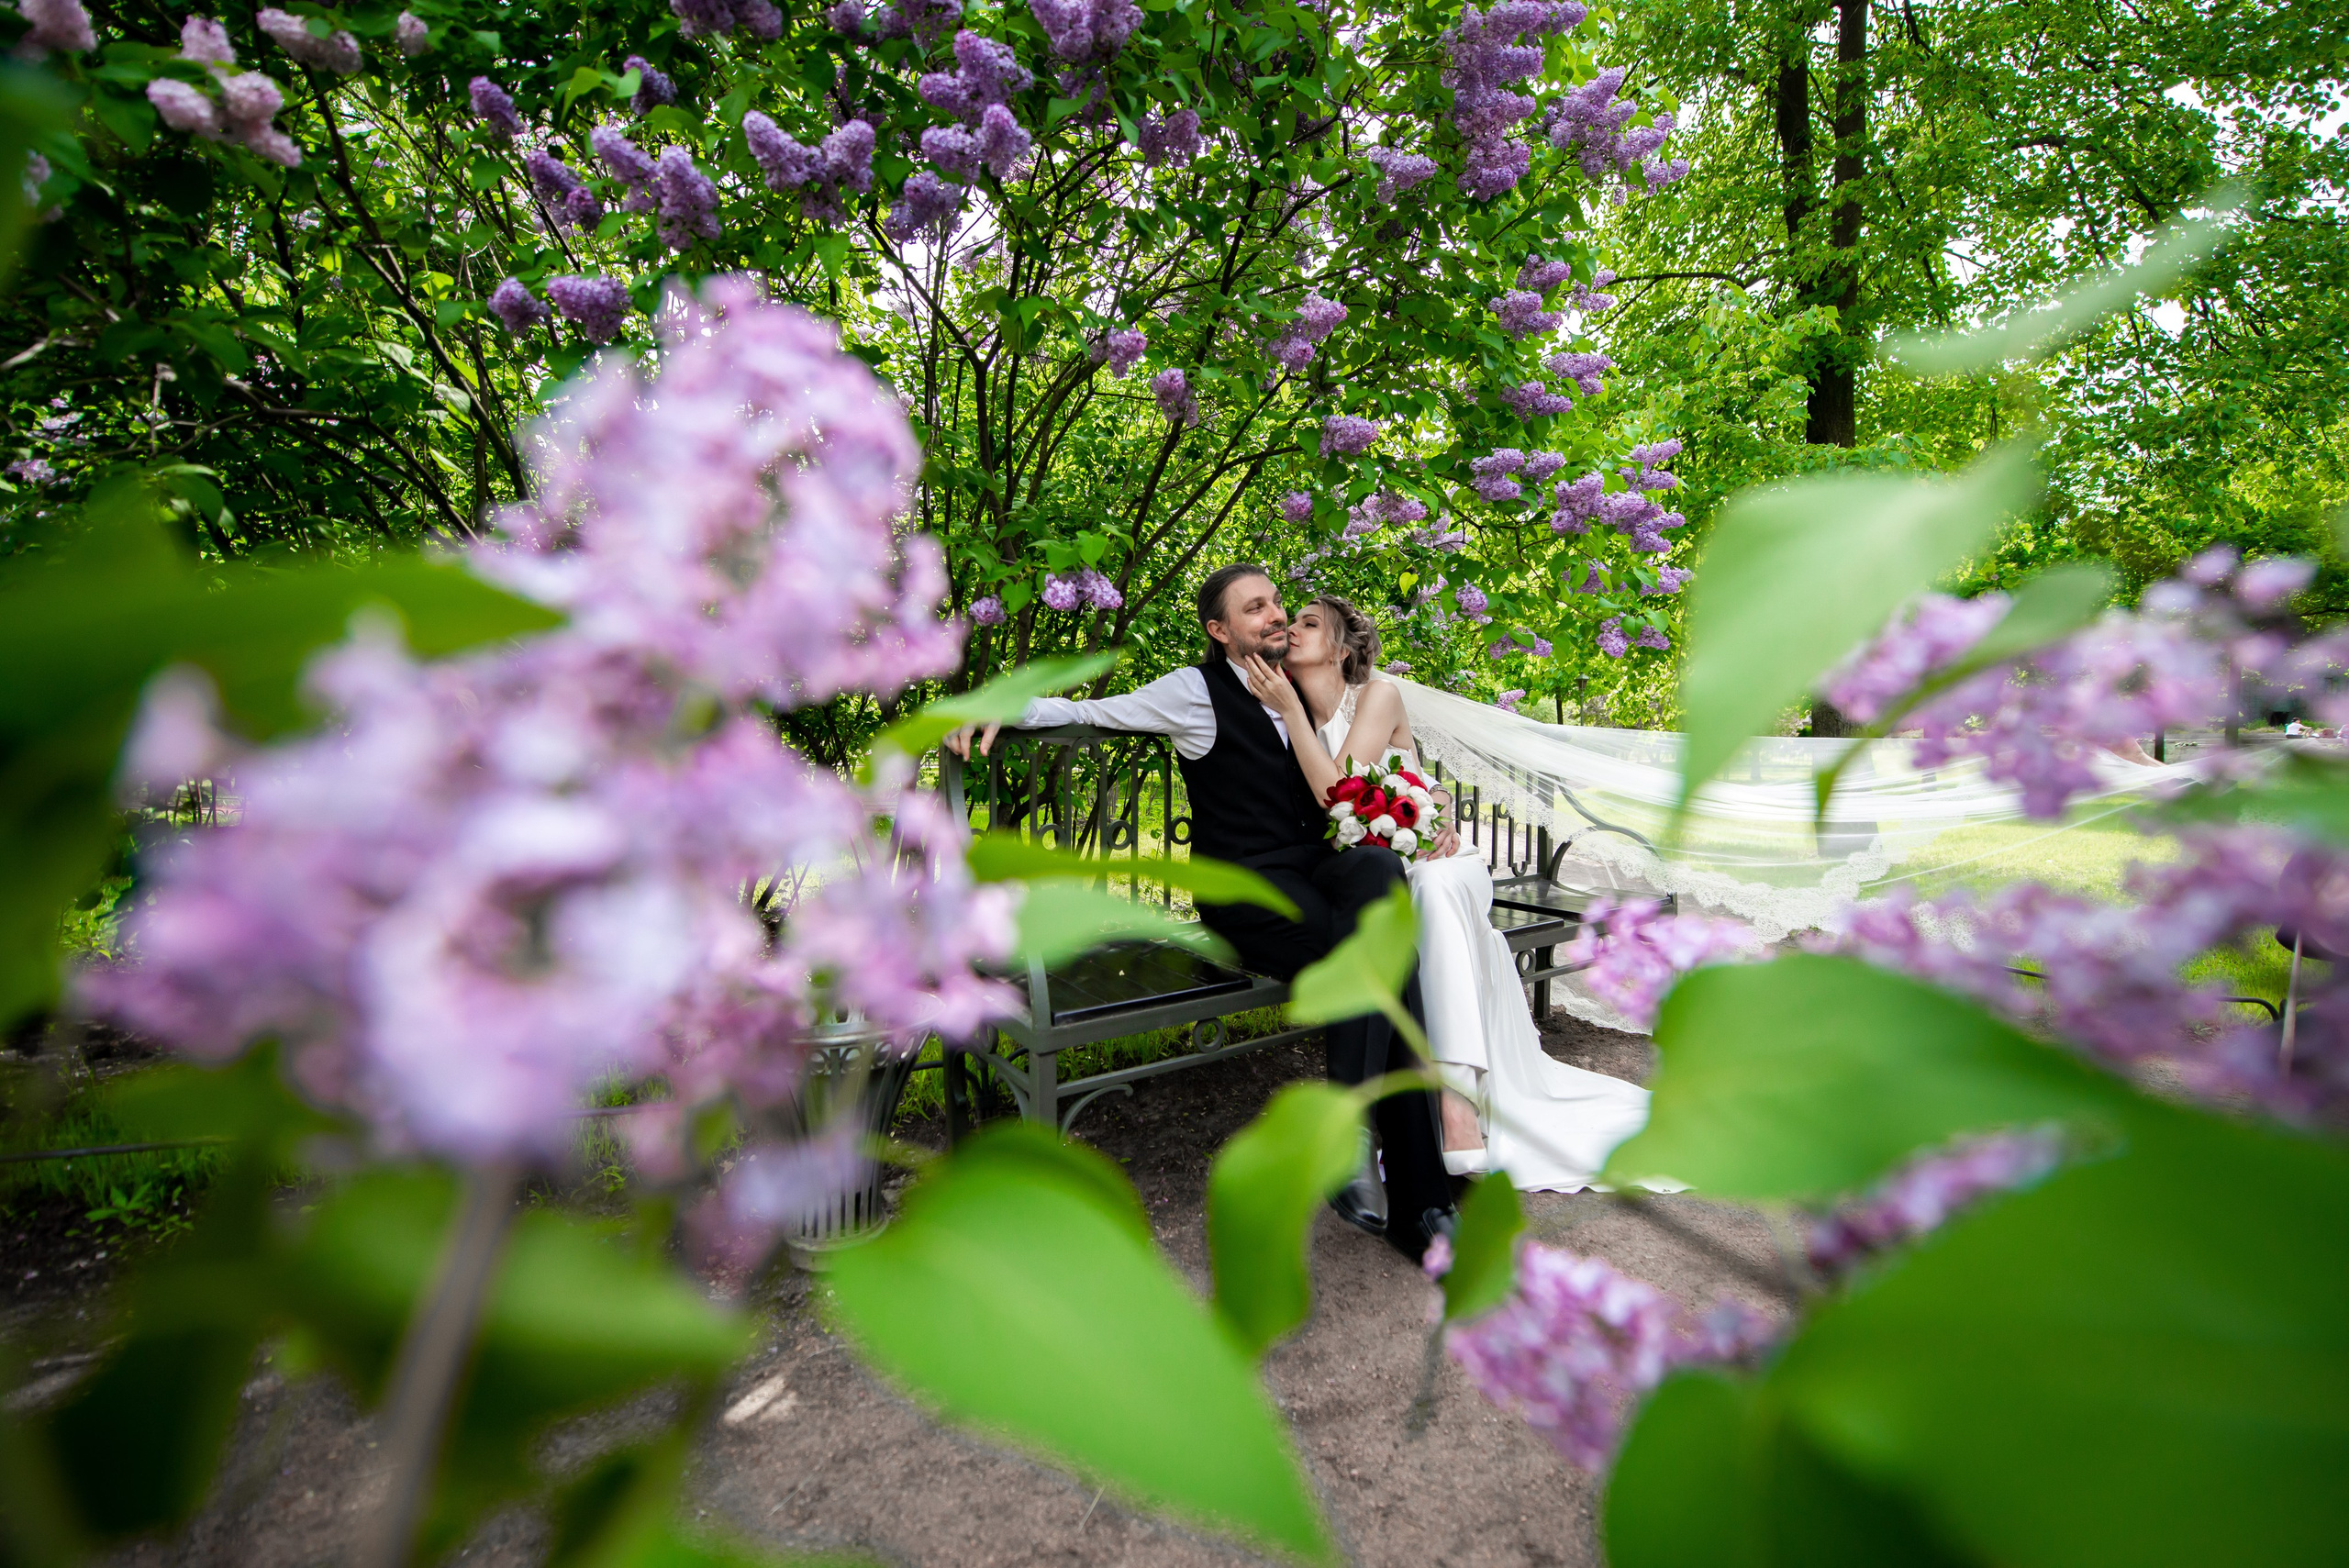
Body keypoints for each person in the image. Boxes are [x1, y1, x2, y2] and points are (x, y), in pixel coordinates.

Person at [944, 564, 1457, 1262]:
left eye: (1277, 602)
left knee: (1377, 871)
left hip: (1316, 876)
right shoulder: (1194, 692)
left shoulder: (1297, 688)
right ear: (1220, 630)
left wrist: (1432, 808)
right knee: (1390, 958)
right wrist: (995, 707)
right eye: (1256, 608)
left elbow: (1366, 773)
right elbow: (1094, 712)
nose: (1276, 615)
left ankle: (1357, 1147)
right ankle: (1423, 1202)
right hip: (1247, 891)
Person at [1240, 595, 1666, 1194]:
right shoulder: (1290, 721)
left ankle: (1456, 1103)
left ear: (1340, 649)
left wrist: (1434, 809)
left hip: (1445, 861)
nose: (1291, 628)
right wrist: (1290, 713)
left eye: (1309, 623)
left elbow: (1341, 788)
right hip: (1384, 880)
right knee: (1414, 896)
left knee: (1435, 884)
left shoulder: (1378, 695)